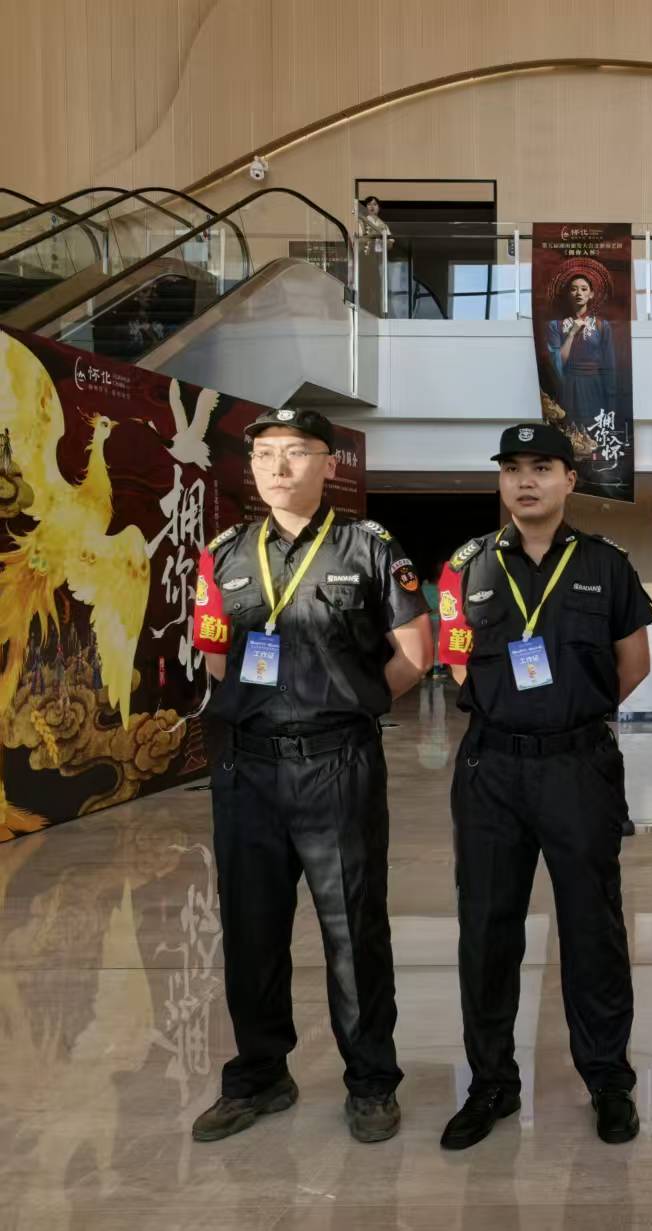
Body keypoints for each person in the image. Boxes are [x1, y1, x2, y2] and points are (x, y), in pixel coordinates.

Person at [188, 407, 432, 1144]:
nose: (278, 467)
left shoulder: (369, 547)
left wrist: (348, 703)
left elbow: (415, 653)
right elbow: (216, 655)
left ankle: (371, 1081)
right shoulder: (223, 554)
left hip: (336, 765)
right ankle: (261, 1075)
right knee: (250, 929)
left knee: (353, 929)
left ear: (330, 463)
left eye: (296, 452)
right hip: (248, 769)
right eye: (265, 454)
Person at [433, 422, 652, 1149]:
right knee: (486, 928)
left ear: (569, 480)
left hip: (577, 767)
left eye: (541, 467)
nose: (526, 481)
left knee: (593, 926)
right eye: (513, 469)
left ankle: (608, 1080)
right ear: (501, 481)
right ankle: (491, 1083)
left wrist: (568, 719)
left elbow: (632, 664)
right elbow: (458, 661)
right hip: (492, 769)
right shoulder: (465, 567)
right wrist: (515, 715)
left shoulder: (606, 565)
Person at [543, 263, 618, 425]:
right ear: (567, 294)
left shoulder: (602, 326)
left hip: (595, 386)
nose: (579, 293)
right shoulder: (555, 326)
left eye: (584, 289)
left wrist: (610, 397)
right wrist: (571, 334)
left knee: (594, 429)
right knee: (570, 429)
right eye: (574, 289)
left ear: (591, 294)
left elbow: (609, 365)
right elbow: (557, 363)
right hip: (568, 385)